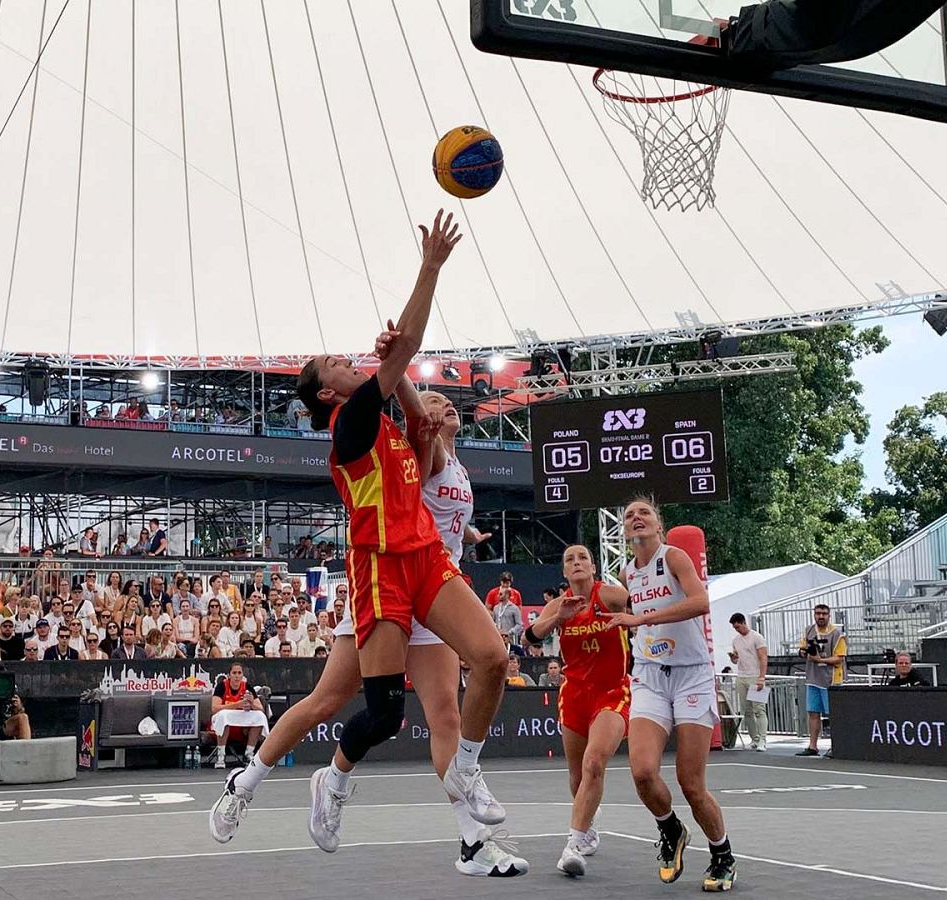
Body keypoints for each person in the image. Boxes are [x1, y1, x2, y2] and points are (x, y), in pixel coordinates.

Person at [211, 223, 523, 877]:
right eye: (338, 366)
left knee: (493, 658)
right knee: (381, 713)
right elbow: (403, 349)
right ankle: (306, 783)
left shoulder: (386, 422)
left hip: (427, 561)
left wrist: (400, 372)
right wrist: (430, 266)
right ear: (329, 393)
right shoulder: (350, 425)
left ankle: (465, 779)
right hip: (378, 567)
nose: (349, 365)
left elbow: (415, 408)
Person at [599, 498, 736, 891]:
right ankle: (671, 829)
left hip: (691, 675)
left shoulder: (673, 557)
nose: (636, 518)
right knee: (642, 772)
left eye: (644, 513)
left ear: (658, 524)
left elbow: (700, 601)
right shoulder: (628, 573)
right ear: (624, 531)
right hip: (649, 676)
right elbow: (614, 611)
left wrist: (641, 619)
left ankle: (722, 853)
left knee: (690, 783)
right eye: (628, 515)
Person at [521, 544, 631, 877]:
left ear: (594, 567)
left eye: (583, 558)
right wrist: (559, 617)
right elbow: (529, 638)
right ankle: (589, 822)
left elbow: (642, 605)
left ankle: (573, 843)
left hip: (612, 691)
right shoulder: (559, 605)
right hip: (574, 693)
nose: (577, 563)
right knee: (577, 775)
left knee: (594, 762)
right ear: (565, 573)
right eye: (570, 559)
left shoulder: (610, 596)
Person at [797, 603, 846, 758]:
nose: (821, 616)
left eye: (824, 613)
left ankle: (836, 745)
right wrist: (805, 653)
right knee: (813, 712)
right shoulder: (809, 631)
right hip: (813, 677)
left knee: (833, 714)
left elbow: (839, 658)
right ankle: (813, 745)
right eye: (818, 613)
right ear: (814, 614)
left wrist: (820, 659)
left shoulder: (837, 634)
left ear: (829, 615)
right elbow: (802, 650)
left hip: (831, 678)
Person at [210, 664, 268, 769]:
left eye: (239, 673)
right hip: (223, 726)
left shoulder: (248, 687)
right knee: (223, 717)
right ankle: (221, 756)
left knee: (259, 717)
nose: (237, 676)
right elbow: (214, 708)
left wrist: (251, 704)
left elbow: (261, 710)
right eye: (234, 673)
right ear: (229, 675)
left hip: (242, 727)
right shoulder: (221, 686)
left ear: (242, 676)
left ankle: (249, 754)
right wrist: (237, 704)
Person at [726, 613, 769, 751]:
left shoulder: (757, 637)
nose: (737, 629)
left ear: (744, 622)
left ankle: (763, 739)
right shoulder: (736, 640)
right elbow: (737, 658)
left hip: (755, 676)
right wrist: (733, 658)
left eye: (738, 626)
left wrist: (761, 678)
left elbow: (763, 658)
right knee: (747, 710)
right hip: (742, 676)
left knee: (759, 709)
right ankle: (754, 738)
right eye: (734, 627)